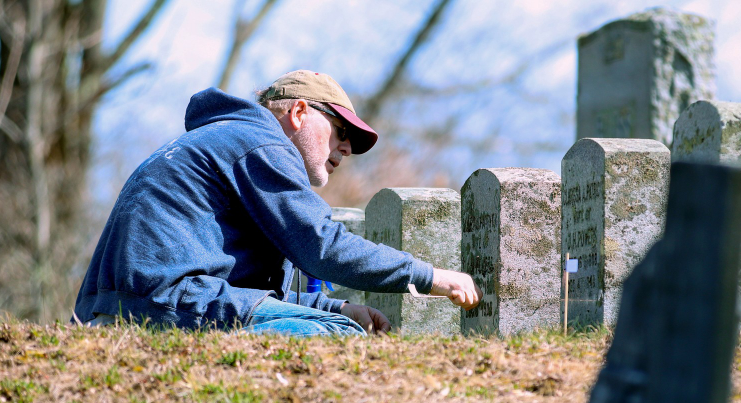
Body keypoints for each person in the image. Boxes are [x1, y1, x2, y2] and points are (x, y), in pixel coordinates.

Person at [73, 70, 481, 336]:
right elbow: (322, 247)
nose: (345, 150)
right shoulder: (259, 142)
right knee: (341, 338)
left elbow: (238, 292)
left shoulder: (226, 142)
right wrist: (429, 276)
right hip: (162, 309)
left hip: (129, 308)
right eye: (340, 131)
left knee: (338, 321)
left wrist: (335, 305)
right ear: (300, 112)